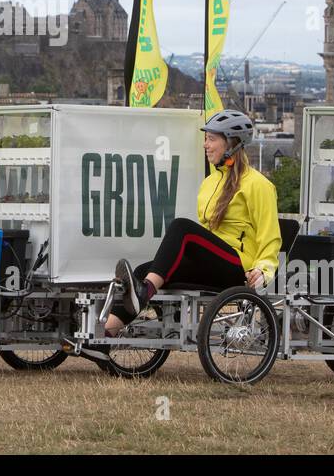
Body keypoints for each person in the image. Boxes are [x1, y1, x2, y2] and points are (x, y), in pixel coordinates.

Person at [104, 109, 280, 336]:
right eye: (205, 139)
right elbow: (206, 236)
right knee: (141, 270)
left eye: (212, 139)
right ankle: (105, 336)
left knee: (181, 228)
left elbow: (270, 235)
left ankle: (145, 292)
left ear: (232, 143)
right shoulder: (209, 182)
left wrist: (264, 270)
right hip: (212, 263)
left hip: (238, 266)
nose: (206, 145)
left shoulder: (258, 185)